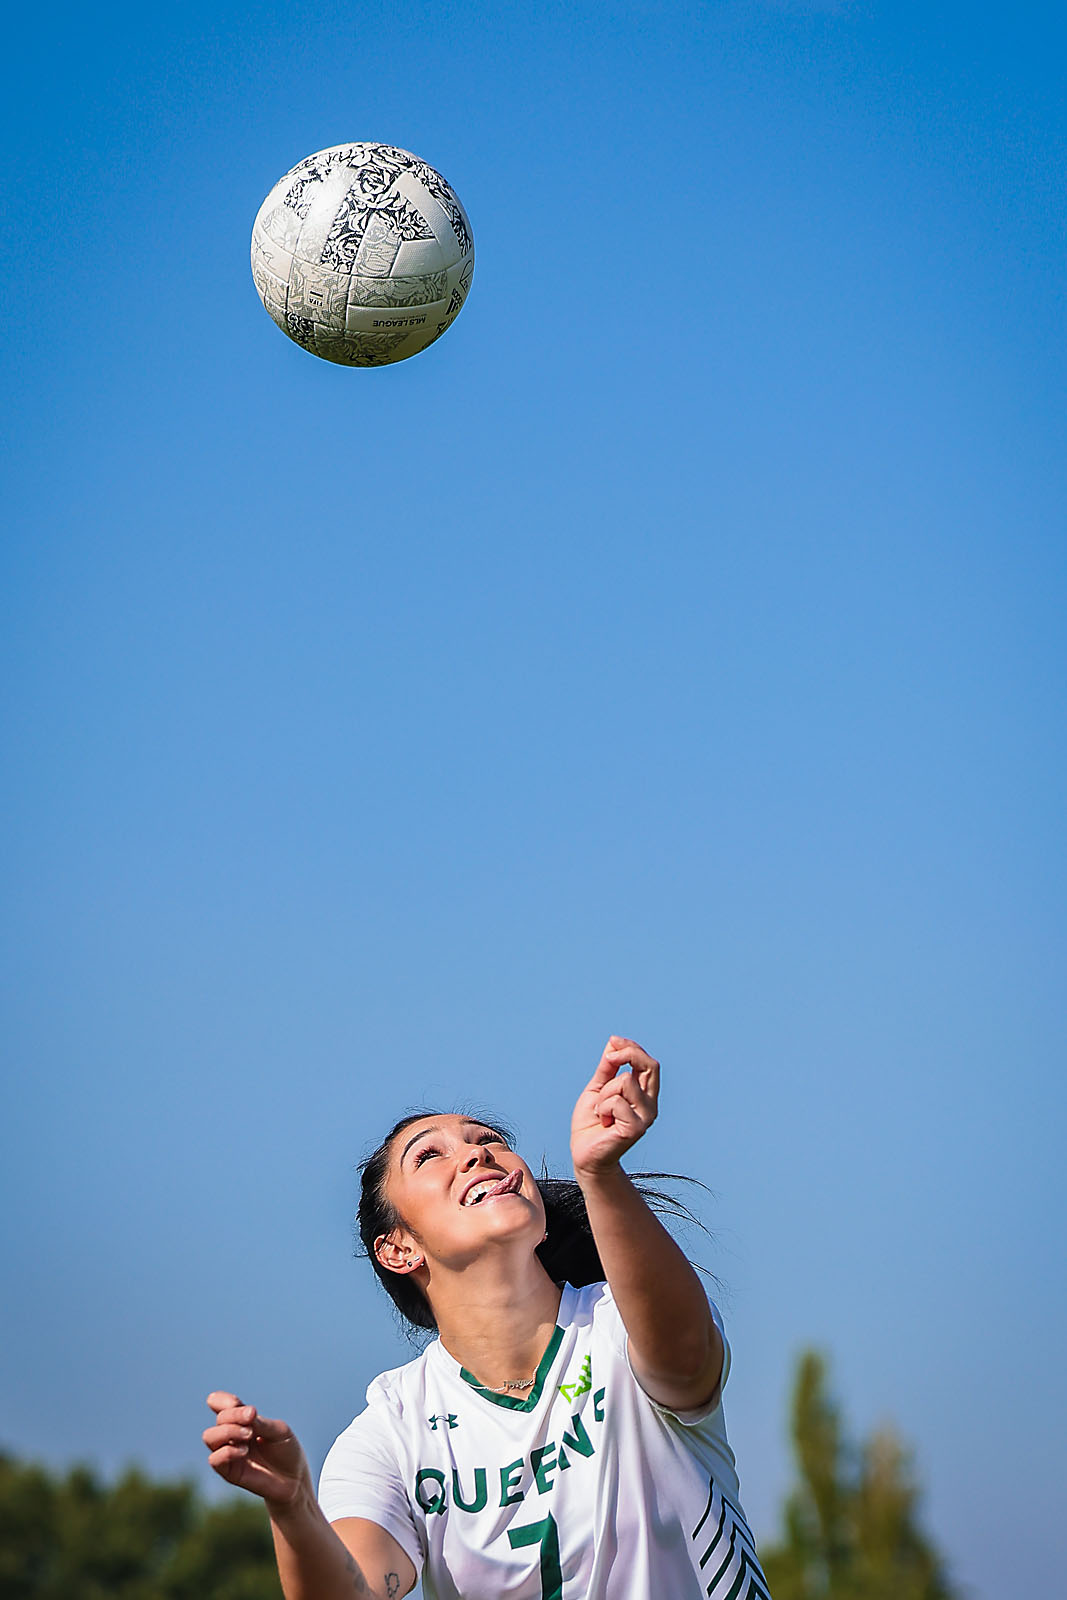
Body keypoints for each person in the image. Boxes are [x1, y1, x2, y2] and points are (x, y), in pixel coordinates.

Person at [203, 1037, 770, 1599]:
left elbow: (687, 1362)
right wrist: (294, 1507)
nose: (477, 1154)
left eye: (490, 1141)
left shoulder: (619, 1322)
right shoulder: (392, 1429)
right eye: (430, 1156)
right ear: (398, 1250)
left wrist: (600, 1174)